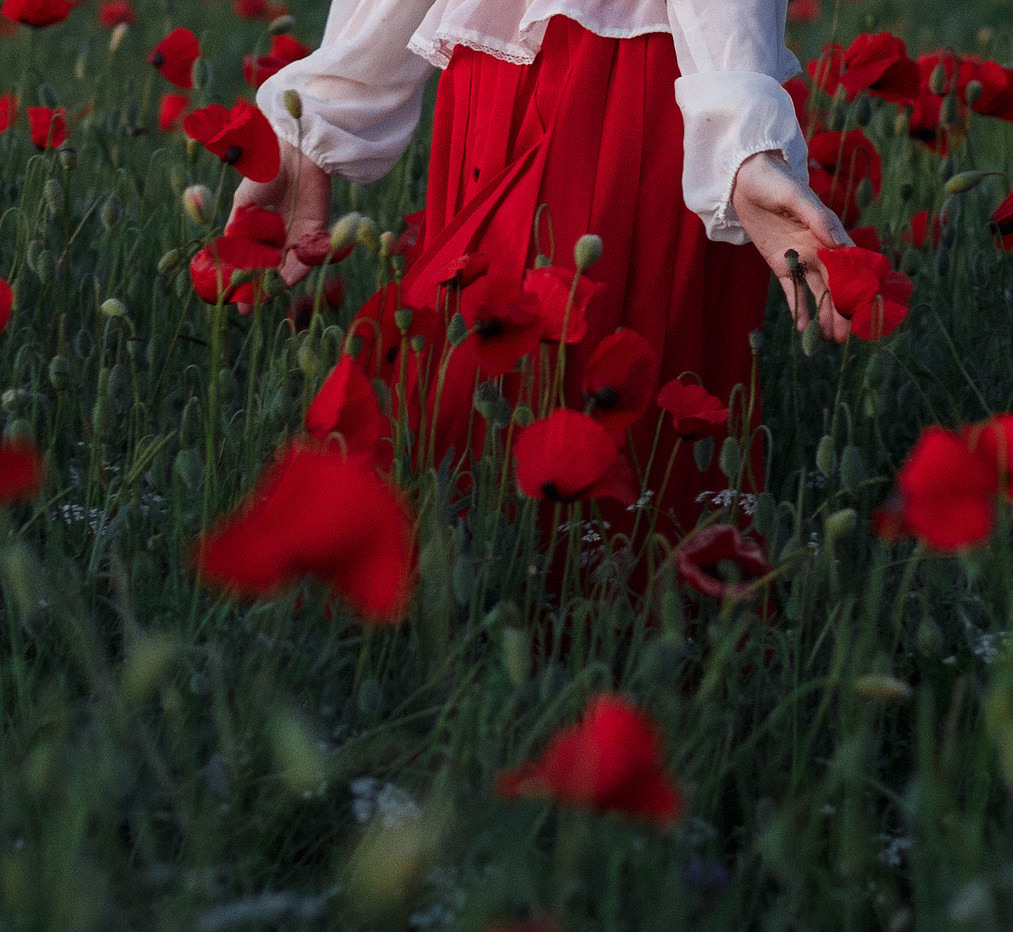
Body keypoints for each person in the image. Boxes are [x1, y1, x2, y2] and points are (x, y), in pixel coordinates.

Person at [231, 0, 852, 587]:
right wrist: (321, 109)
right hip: (497, 70)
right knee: (473, 450)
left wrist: (739, 138)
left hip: (643, 81)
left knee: (580, 464)